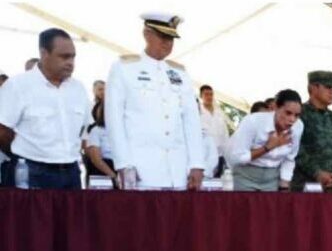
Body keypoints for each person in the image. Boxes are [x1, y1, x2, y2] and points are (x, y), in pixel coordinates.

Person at [106, 12, 205, 190]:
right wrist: (123, 163)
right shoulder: (124, 68)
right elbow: (114, 120)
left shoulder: (180, 73)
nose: (168, 43)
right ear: (147, 34)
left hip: (178, 170)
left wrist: (197, 163)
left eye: (172, 38)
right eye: (163, 36)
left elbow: (192, 121)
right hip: (141, 169)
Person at [0, 28, 90, 189]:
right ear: (44, 53)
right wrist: (24, 153)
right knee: (31, 216)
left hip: (71, 172)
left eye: (73, 57)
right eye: (64, 56)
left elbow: (84, 131)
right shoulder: (18, 86)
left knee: (72, 216)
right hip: (32, 172)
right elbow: (2, 130)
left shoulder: (78, 89)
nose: (70, 62)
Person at [226, 89, 303, 191]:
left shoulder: (298, 126)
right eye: (288, 113)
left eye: (296, 115)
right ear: (275, 107)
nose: (292, 119)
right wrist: (268, 147)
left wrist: (284, 185)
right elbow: (238, 157)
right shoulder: (253, 121)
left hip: (272, 179)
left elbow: (289, 158)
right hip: (246, 176)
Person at [291, 71, 332, 192]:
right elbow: (294, 148)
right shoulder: (298, 114)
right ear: (313, 88)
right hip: (304, 187)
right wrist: (317, 173)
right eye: (328, 87)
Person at [199, 84, 231, 178]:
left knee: (218, 181)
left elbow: (225, 133)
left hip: (220, 153)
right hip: (205, 153)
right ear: (201, 96)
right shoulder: (198, 111)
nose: (209, 97)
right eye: (206, 94)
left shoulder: (219, 112)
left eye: (211, 94)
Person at [84, 100, 118, 186]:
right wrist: (114, 177)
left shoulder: (124, 130)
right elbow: (96, 159)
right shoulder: (96, 131)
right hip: (104, 171)